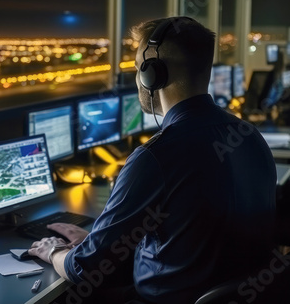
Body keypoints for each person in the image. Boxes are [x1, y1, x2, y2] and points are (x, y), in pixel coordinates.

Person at [28, 16, 277, 303]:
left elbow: (84, 268)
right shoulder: (249, 134)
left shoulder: (156, 156)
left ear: (153, 75)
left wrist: (55, 251)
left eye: (137, 68)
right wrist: (96, 241)